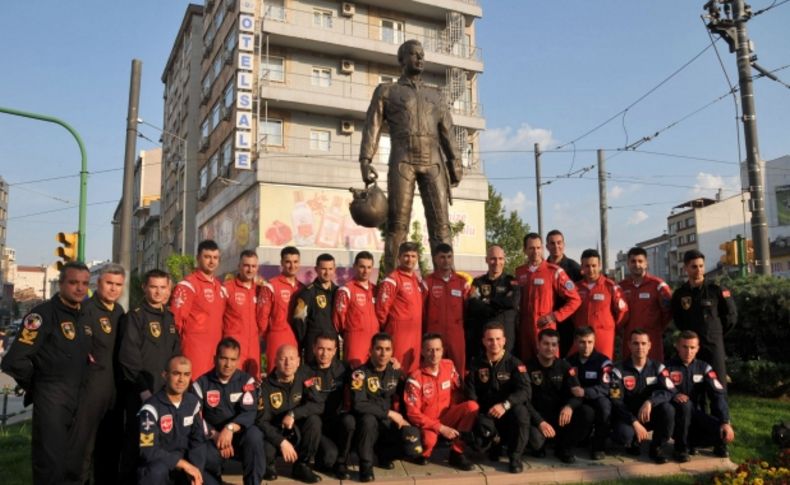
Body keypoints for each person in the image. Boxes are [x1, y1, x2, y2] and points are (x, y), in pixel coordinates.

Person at [359, 39, 461, 273]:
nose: (420, 58)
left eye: (422, 54)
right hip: (402, 160)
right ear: (401, 59)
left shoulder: (436, 96)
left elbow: (448, 132)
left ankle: (446, 279)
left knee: (442, 225)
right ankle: (391, 280)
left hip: (433, 161)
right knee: (397, 224)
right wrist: (365, 160)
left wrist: (455, 162)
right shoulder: (387, 91)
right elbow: (371, 126)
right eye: (414, 54)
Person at [1, 261, 91, 485]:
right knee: (51, 467)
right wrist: (40, 385)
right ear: (60, 284)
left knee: (74, 466)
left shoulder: (83, 316)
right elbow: (15, 360)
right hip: (51, 401)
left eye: (84, 284)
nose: (80, 288)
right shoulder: (42, 315)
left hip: (77, 400)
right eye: (73, 283)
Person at [118, 269, 182, 484]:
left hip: (163, 393)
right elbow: (129, 359)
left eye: (163, 287)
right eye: (153, 286)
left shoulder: (170, 317)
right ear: (144, 287)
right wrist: (144, 391)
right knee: (136, 443)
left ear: (169, 290)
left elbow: (175, 355)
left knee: (160, 444)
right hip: (141, 394)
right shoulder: (135, 316)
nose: (158, 292)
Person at [65, 263, 126, 484]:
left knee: (110, 446)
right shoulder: (86, 309)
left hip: (113, 391)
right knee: (84, 446)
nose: (113, 289)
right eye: (109, 283)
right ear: (98, 283)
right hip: (90, 389)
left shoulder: (119, 311)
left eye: (118, 285)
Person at [351, 332, 422, 482]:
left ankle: (385, 456)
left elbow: (406, 395)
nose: (383, 353)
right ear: (370, 350)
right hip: (367, 427)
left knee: (411, 444)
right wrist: (390, 413)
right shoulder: (360, 374)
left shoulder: (394, 372)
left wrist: (408, 421)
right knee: (368, 420)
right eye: (379, 349)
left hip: (387, 425)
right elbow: (359, 404)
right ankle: (366, 466)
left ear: (392, 352)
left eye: (388, 349)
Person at [193, 337, 264, 485]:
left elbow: (249, 413)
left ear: (238, 360)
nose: (228, 364)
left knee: (255, 435)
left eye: (233, 359)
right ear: (215, 358)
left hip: (237, 436)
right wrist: (215, 435)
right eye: (224, 358)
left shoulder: (247, 381)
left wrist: (229, 429)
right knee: (199, 450)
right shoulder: (201, 384)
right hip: (212, 438)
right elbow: (196, 417)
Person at [404, 334, 478, 470]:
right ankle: (422, 452)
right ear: (422, 351)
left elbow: (458, 391)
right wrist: (441, 428)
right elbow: (413, 414)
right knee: (428, 442)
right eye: (430, 350)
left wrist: (457, 415)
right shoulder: (414, 378)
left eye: (438, 349)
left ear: (442, 350)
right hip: (427, 423)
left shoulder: (449, 366)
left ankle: (457, 453)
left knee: (472, 406)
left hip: (447, 416)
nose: (434, 354)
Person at [465, 322, 531, 474]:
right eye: (490, 339)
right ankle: (495, 442)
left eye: (498, 339)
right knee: (478, 444)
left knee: (522, 414)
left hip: (508, 412)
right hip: (487, 415)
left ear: (504, 340)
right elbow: (471, 393)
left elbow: (525, 390)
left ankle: (515, 457)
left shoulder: (515, 364)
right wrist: (480, 418)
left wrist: (506, 404)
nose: (494, 343)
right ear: (483, 341)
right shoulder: (476, 364)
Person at [255, 344, 323, 483]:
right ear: (275, 361)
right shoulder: (265, 386)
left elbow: (318, 404)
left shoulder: (305, 377)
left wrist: (293, 414)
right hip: (274, 434)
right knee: (265, 451)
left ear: (298, 361)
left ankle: (301, 466)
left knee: (314, 421)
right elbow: (261, 421)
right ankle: (269, 465)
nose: (288, 363)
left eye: (292, 358)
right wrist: (281, 441)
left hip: (296, 431)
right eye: (283, 358)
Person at [524, 329, 593, 464]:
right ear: (538, 345)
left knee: (587, 412)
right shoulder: (527, 367)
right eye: (546, 344)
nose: (550, 348)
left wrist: (569, 407)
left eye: (554, 345)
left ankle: (564, 448)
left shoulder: (565, 366)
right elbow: (523, 400)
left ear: (557, 347)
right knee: (537, 442)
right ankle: (538, 446)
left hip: (560, 417)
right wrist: (539, 421)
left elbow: (578, 394)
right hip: (536, 419)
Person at [136, 355, 207, 485]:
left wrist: (196, 470)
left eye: (186, 374)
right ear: (165, 375)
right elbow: (148, 451)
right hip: (159, 467)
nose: (181, 379)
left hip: (184, 467)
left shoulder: (193, 403)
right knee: (156, 472)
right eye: (176, 374)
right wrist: (182, 464)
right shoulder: (151, 408)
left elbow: (198, 443)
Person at [672, 250, 737, 389]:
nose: (698, 270)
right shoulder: (680, 294)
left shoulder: (716, 290)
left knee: (718, 386)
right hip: (691, 348)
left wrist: (716, 333)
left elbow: (731, 316)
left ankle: (719, 411)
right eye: (694, 267)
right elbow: (678, 319)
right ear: (686, 268)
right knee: (695, 387)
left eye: (701, 266)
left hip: (713, 345)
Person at [610, 329, 676, 464]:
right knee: (624, 435)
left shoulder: (658, 368)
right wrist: (634, 422)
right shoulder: (618, 370)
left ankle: (656, 446)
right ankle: (632, 441)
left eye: (643, 343)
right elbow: (615, 400)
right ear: (629, 345)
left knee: (668, 409)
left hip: (649, 414)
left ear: (649, 345)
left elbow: (669, 391)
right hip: (627, 417)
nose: (640, 347)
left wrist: (650, 402)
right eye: (636, 343)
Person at [666, 331, 734, 461]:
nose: (688, 351)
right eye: (685, 347)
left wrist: (725, 422)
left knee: (721, 432)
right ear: (677, 346)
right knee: (684, 406)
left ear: (698, 348)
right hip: (676, 419)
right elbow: (662, 390)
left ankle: (693, 443)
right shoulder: (667, 367)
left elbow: (718, 394)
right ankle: (681, 449)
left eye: (692, 347)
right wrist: (674, 395)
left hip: (696, 415)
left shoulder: (704, 368)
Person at [515, 233, 581, 361]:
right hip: (525, 329)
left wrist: (555, 316)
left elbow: (575, 299)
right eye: (531, 248)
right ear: (524, 250)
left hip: (545, 328)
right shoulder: (519, 272)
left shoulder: (554, 271)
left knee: (550, 367)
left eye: (538, 248)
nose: (535, 251)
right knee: (527, 367)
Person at [171, 239, 227, 378]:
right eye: (207, 257)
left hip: (215, 349)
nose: (211, 261)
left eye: (215, 258)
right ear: (198, 258)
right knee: (195, 389)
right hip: (194, 350)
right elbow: (175, 322)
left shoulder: (219, 287)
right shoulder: (188, 285)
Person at [308, 333, 355, 479]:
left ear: (335, 351)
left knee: (349, 421)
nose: (324, 353)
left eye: (329, 349)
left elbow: (365, 375)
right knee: (329, 458)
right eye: (321, 349)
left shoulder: (344, 368)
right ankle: (323, 459)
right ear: (314, 349)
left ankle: (342, 463)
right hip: (317, 426)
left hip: (336, 421)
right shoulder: (305, 370)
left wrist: (392, 368)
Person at [565, 326, 614, 460]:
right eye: (582, 342)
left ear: (594, 342)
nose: (586, 346)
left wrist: (585, 392)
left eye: (590, 342)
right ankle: (576, 440)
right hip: (577, 399)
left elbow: (606, 387)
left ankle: (599, 446)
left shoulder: (604, 362)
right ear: (575, 342)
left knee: (605, 407)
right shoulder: (569, 362)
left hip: (597, 396)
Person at [421, 243, 471, 375]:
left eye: (449, 257)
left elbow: (469, 310)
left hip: (456, 335)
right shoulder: (427, 282)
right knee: (433, 369)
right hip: (434, 335)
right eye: (442, 257)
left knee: (458, 369)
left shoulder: (462, 282)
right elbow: (422, 311)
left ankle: (460, 395)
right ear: (435, 259)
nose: (446, 260)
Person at [375, 242, 424, 374]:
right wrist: (390, 328)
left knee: (412, 370)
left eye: (413, 256)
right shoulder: (392, 280)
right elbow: (381, 309)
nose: (410, 259)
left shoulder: (417, 280)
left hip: (415, 334)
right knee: (397, 370)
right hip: (398, 334)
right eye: (406, 256)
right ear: (399, 258)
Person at [571, 248, 627, 360]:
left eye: (594, 265)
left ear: (599, 265)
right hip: (581, 338)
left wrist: (610, 328)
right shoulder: (575, 288)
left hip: (603, 338)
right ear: (582, 266)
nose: (591, 269)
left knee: (603, 369)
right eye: (587, 266)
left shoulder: (611, 287)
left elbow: (622, 312)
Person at [619, 247, 672, 361]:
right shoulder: (621, 287)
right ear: (628, 263)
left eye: (640, 261)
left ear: (646, 263)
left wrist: (656, 328)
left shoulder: (658, 285)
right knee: (629, 375)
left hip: (652, 341)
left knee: (653, 375)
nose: (637, 265)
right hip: (629, 342)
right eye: (633, 261)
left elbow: (668, 312)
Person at [258, 246, 305, 373]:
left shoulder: (303, 288)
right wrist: (266, 336)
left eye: (295, 262)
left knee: (294, 375)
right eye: (288, 262)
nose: (292, 265)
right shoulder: (271, 286)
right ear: (282, 263)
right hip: (277, 336)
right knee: (275, 373)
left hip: (296, 337)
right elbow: (262, 317)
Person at [466, 245, 518, 357]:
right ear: (486, 260)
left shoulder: (511, 281)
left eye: (500, 258)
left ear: (504, 260)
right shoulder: (478, 282)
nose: (496, 262)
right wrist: (500, 303)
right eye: (493, 258)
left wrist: (488, 301)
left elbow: (512, 302)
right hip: (483, 340)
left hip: (506, 339)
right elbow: (473, 304)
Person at [333, 251, 379, 368]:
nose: (365, 271)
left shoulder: (375, 290)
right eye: (362, 267)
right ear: (355, 266)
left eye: (369, 267)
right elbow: (338, 319)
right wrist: (350, 333)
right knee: (355, 376)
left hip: (374, 340)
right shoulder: (346, 290)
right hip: (355, 341)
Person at [223, 250, 263, 380]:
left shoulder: (261, 290)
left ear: (257, 268)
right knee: (233, 383)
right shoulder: (227, 288)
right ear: (239, 266)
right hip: (233, 347)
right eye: (246, 265)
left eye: (253, 266)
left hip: (253, 347)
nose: (250, 269)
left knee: (252, 384)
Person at [293, 253, 338, 364]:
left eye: (330, 269)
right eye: (323, 269)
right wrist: (306, 341)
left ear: (334, 269)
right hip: (314, 346)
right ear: (316, 269)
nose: (327, 273)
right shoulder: (307, 292)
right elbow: (298, 319)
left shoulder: (338, 292)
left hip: (332, 344)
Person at [545, 230, 583, 357]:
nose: (556, 246)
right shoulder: (542, 268)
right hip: (546, 322)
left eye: (559, 243)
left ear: (564, 245)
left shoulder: (574, 269)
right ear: (547, 246)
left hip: (567, 323)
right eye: (552, 243)